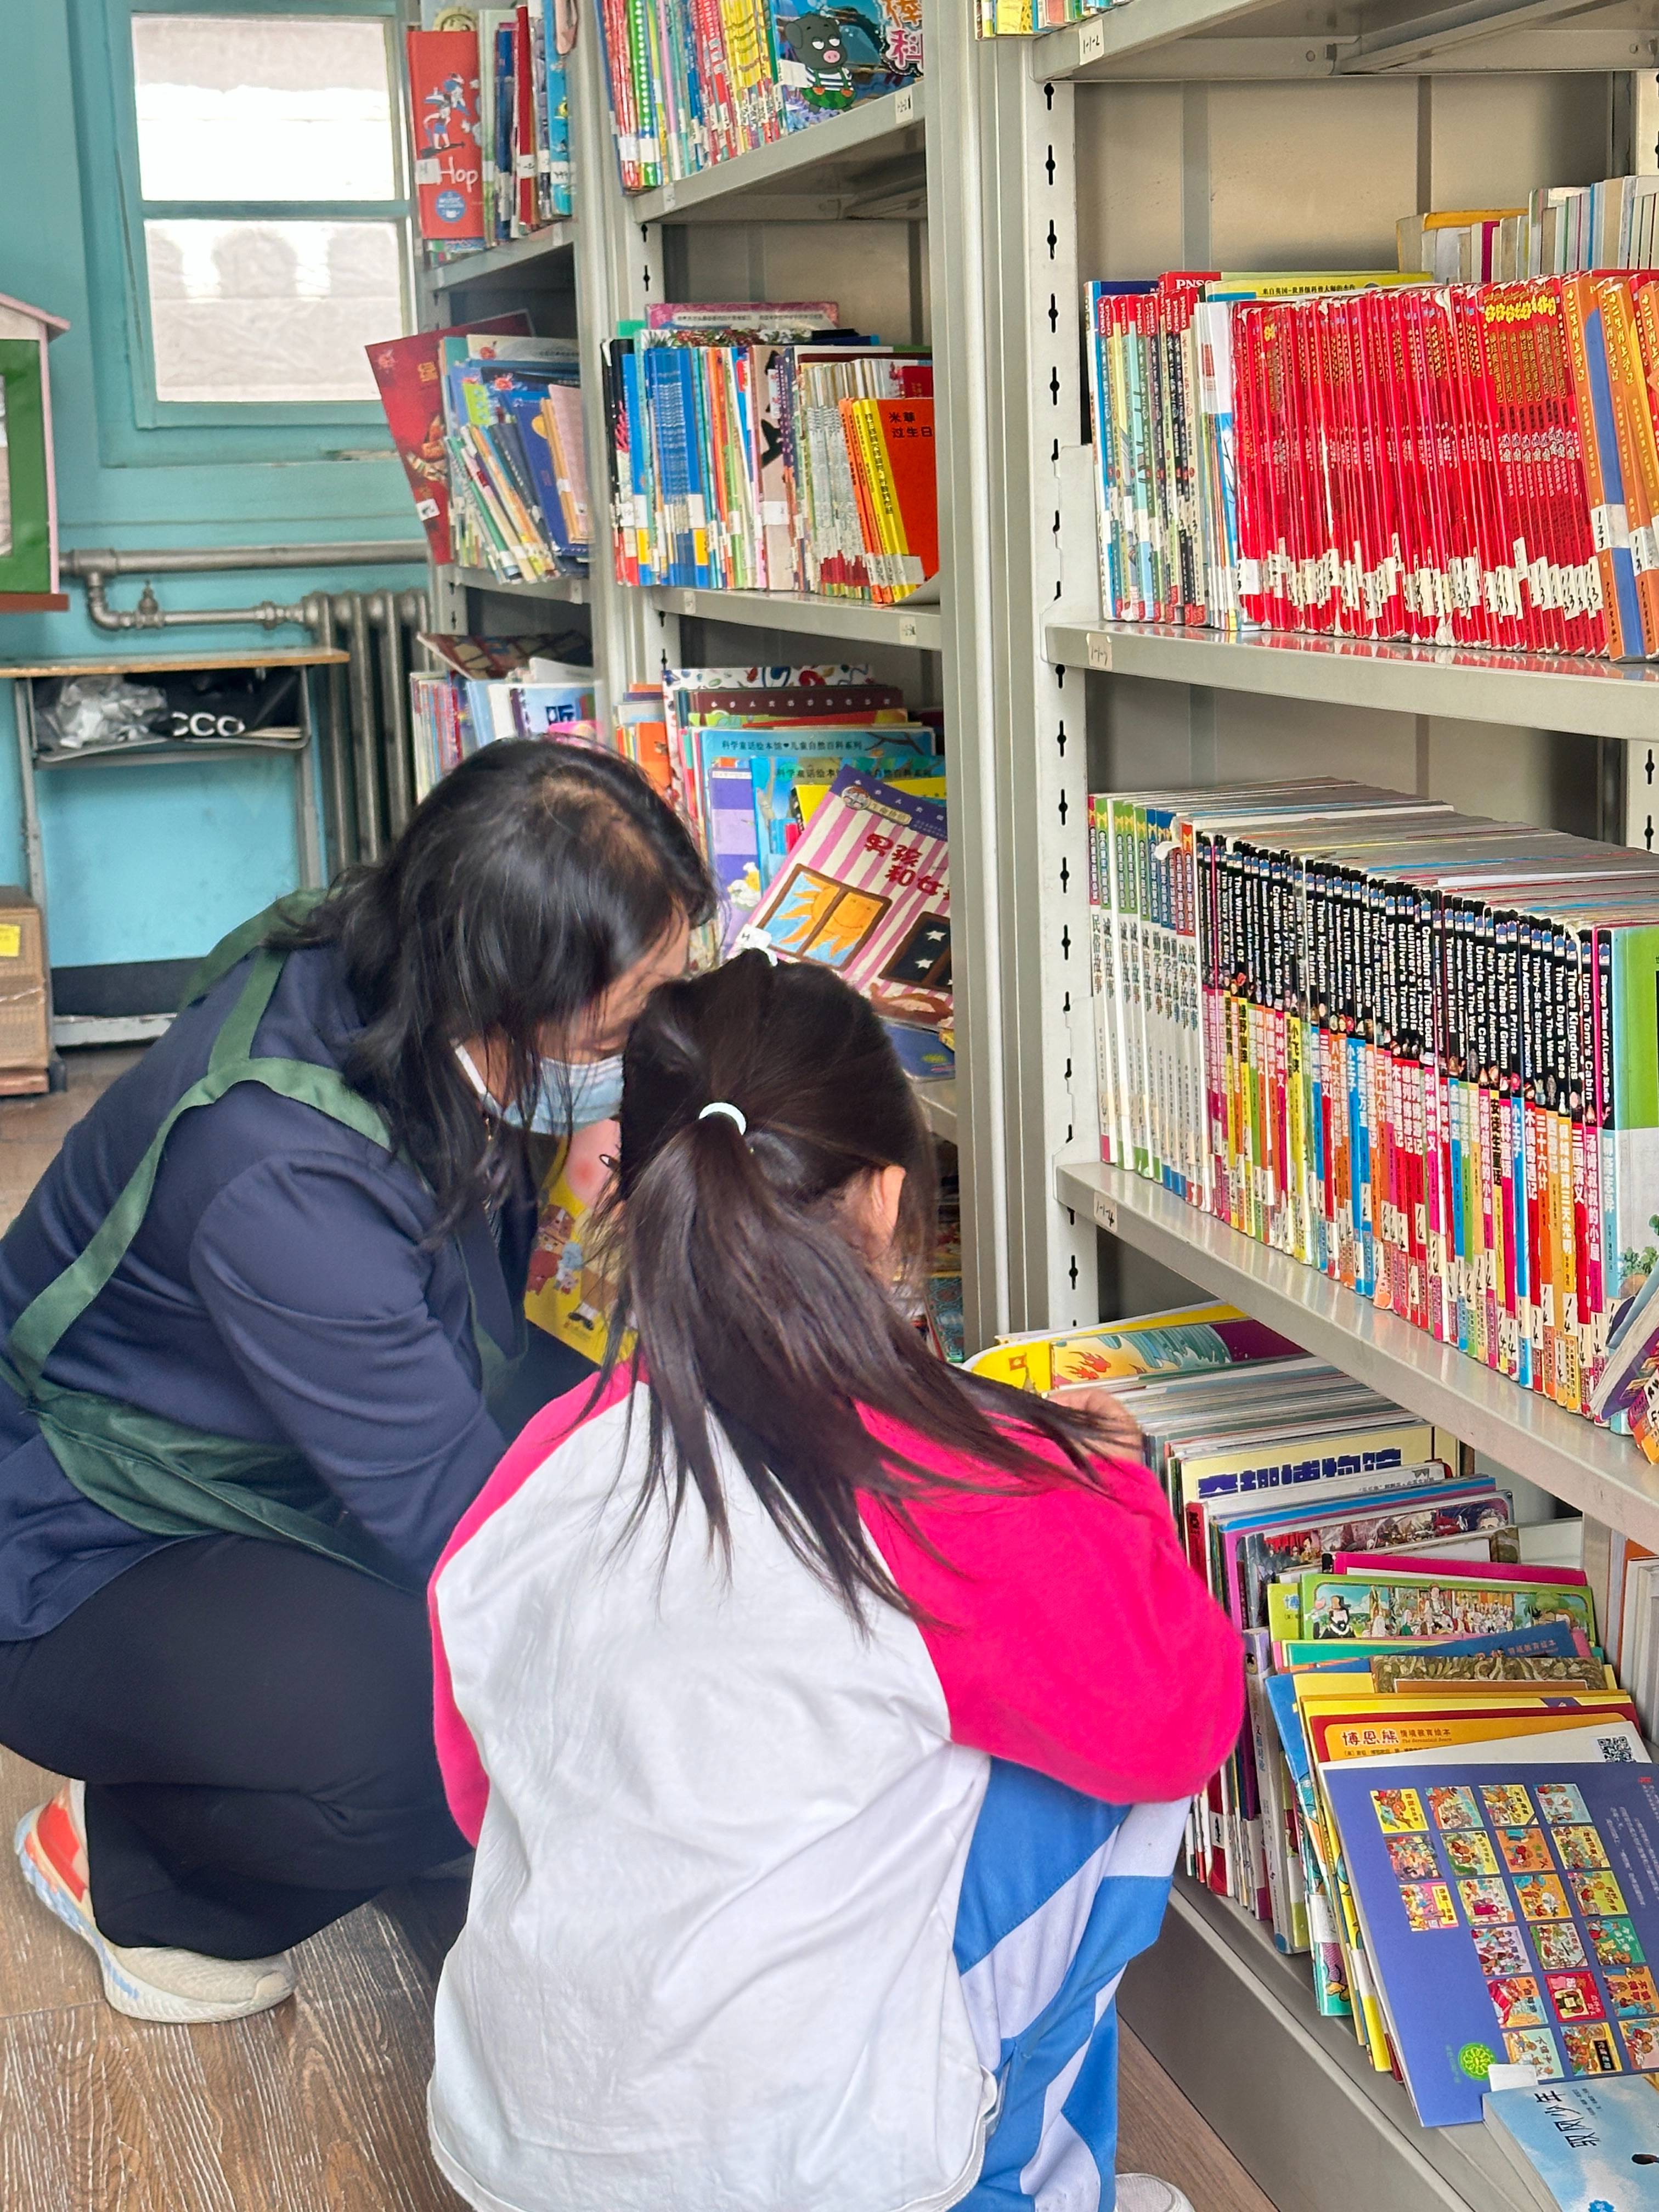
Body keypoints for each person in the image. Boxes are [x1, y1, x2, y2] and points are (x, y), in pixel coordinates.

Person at [428, 950, 1243, 2212]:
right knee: (1110, 1757)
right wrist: (1109, 1487)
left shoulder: (553, 1449)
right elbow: (1181, 1713)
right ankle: (1018, 2184)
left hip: (514, 2149)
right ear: (888, 1196)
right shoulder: (948, 1489)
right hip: (812, 2175)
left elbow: (480, 1791)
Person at [0, 739, 713, 2026]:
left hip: (266, 1468)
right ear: (506, 994)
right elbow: (475, 1542)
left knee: (511, 1681)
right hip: (80, 1542)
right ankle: (132, 1875)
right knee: (457, 1738)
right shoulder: (282, 1174)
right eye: (623, 1028)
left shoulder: (405, 972)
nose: (649, 1049)